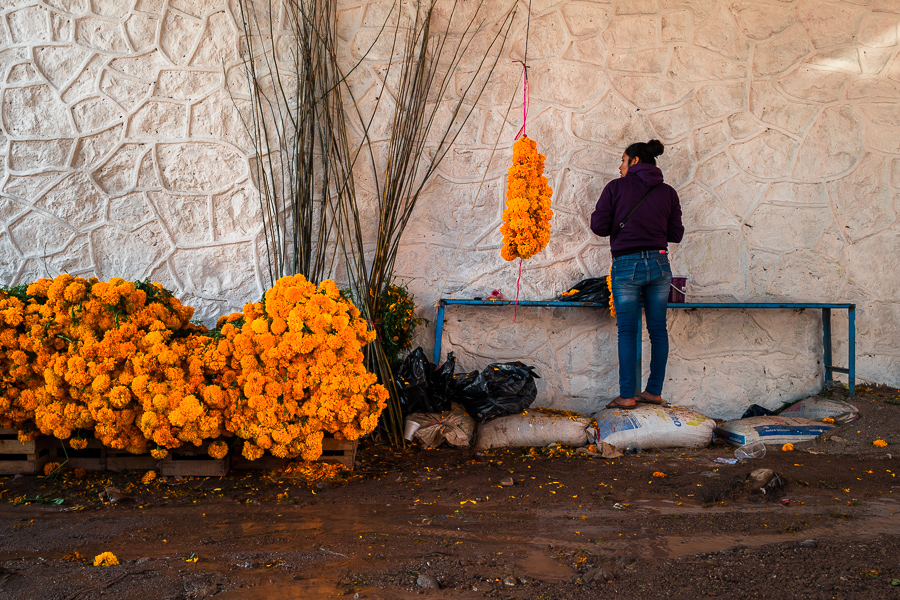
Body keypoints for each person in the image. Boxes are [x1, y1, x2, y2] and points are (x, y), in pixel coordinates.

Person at [590, 139, 684, 409]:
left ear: (635, 161)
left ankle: (627, 396)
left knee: (628, 331)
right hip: (659, 263)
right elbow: (675, 234)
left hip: (626, 266)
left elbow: (599, 226)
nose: (620, 166)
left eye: (623, 160)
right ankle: (654, 391)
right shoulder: (668, 192)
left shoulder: (615, 188)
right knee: (658, 330)